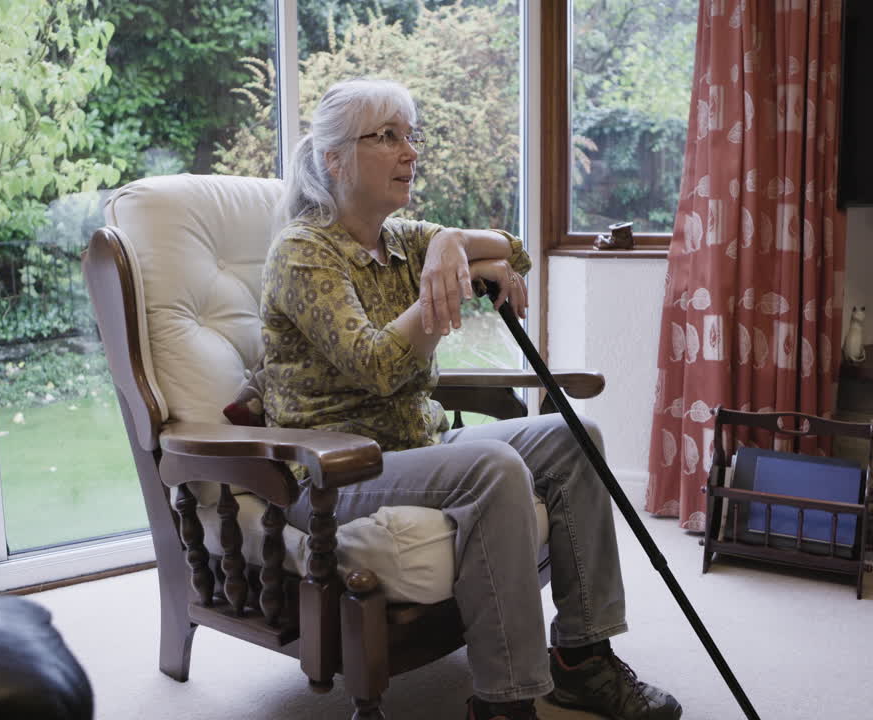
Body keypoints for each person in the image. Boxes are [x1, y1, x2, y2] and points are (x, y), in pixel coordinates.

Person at [260, 78, 683, 720]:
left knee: (577, 438)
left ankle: (582, 659)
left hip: (421, 445)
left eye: (411, 136)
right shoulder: (302, 253)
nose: (411, 152)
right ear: (333, 159)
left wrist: (446, 245)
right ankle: (504, 699)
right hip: (336, 468)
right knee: (495, 469)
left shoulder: (402, 239)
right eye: (389, 137)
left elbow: (514, 252)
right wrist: (445, 288)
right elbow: (376, 365)